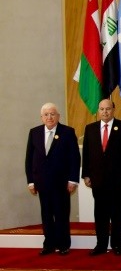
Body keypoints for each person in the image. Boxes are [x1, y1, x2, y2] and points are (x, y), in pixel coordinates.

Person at [25, 103, 80, 255]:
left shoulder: (68, 132)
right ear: (41, 117)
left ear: (58, 116)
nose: (49, 117)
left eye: (52, 114)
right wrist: (31, 181)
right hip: (42, 183)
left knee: (61, 214)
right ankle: (49, 244)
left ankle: (63, 245)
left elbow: (75, 158)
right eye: (46, 114)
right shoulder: (34, 132)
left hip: (62, 183)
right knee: (46, 215)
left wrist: (73, 180)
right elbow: (29, 159)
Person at [81, 99, 121, 256]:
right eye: (102, 109)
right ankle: (101, 245)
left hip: (119, 179)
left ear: (113, 110)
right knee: (100, 214)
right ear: (98, 110)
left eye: (108, 109)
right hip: (98, 180)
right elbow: (86, 154)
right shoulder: (90, 128)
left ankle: (117, 244)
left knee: (119, 214)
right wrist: (86, 174)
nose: (105, 112)